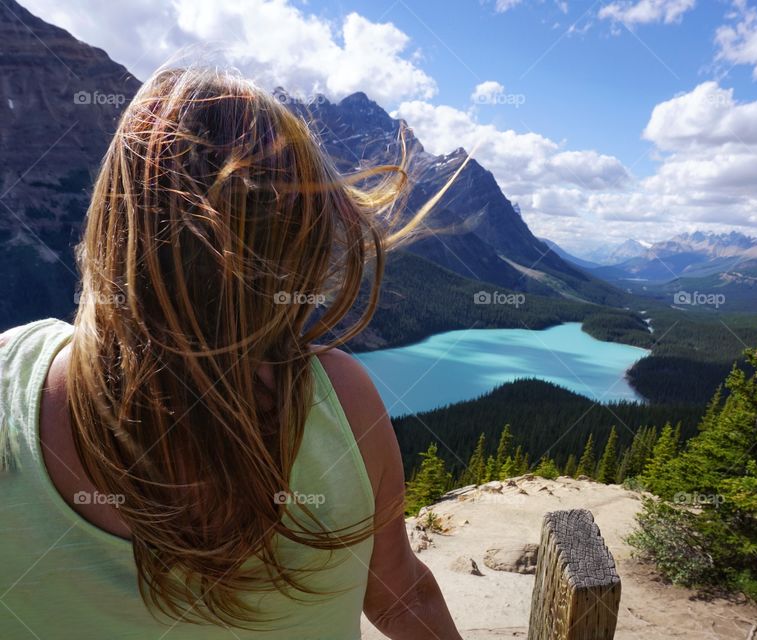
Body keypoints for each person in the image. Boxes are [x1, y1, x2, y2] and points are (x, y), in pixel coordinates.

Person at [0, 66, 464, 639]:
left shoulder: (9, 378)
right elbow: (401, 596)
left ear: (113, 224)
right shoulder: (342, 403)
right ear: (299, 246)